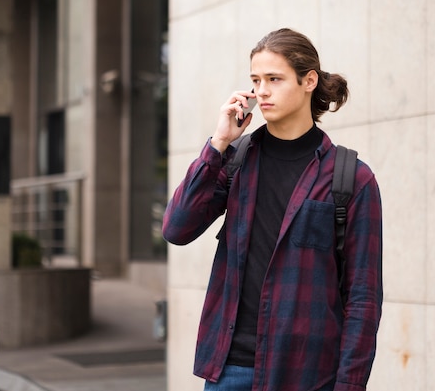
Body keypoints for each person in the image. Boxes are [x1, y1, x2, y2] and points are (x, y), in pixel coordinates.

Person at [162, 28, 383, 391]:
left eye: (274, 79)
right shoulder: (235, 161)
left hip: (306, 375)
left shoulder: (351, 179)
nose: (261, 91)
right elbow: (176, 229)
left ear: (308, 80)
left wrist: (350, 385)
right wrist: (218, 144)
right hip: (229, 370)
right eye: (255, 80)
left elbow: (363, 298)